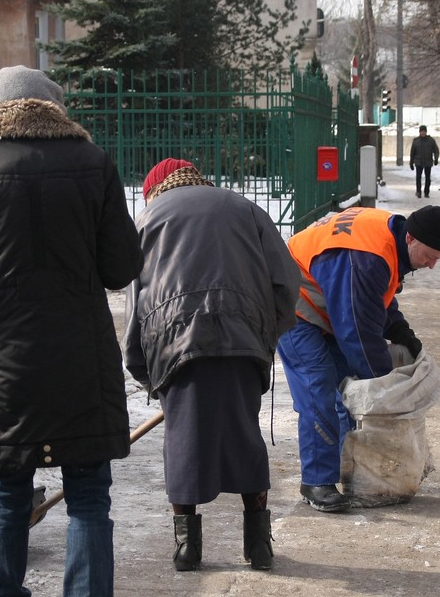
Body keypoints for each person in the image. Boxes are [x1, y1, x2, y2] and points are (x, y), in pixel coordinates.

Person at [0, 65, 144, 597]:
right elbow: (119, 266)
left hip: (1, 367)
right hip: (80, 362)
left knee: (8, 493)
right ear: (55, 110)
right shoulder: (93, 163)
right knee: (89, 496)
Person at [123, 158, 301, 572]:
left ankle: (187, 548)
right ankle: (258, 545)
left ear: (154, 189)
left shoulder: (148, 218)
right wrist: (265, 334)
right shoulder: (245, 208)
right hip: (244, 337)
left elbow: (135, 301)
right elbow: (287, 281)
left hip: (174, 343)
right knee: (244, 435)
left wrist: (143, 367)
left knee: (183, 441)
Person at [277, 205, 440, 512]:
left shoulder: (390, 239)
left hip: (325, 302)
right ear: (411, 239)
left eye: (438, 259)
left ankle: (347, 471)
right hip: (294, 303)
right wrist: (384, 384)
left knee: (346, 391)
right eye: (430, 256)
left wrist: (399, 329)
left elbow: (370, 297)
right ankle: (316, 482)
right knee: (318, 388)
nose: (431, 266)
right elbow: (357, 332)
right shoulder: (366, 256)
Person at [409, 125, 440, 198]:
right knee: (418, 178)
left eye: (424, 131)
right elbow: (412, 152)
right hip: (418, 162)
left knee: (428, 178)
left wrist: (436, 159)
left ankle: (426, 192)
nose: (423, 133)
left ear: (426, 132)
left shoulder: (431, 140)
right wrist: (411, 162)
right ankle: (418, 192)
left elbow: (436, 150)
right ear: (419, 132)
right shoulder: (416, 141)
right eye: (421, 131)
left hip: (428, 162)